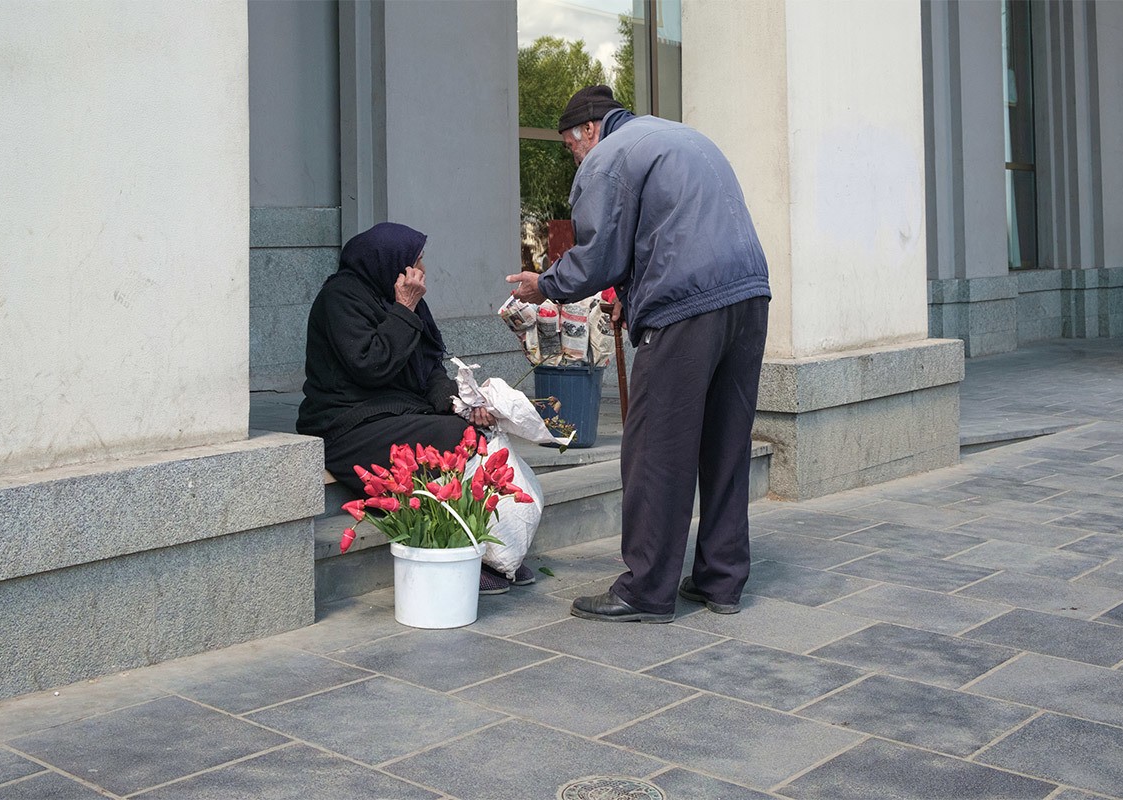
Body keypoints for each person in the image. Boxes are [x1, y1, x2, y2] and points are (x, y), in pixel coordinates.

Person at [506, 85, 772, 622]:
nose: (573, 156)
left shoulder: (607, 158)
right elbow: (664, 230)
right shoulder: (676, 135)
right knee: (725, 442)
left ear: (587, 130)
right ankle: (722, 580)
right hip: (749, 295)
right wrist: (633, 298)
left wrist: (547, 284)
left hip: (687, 306)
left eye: (568, 145)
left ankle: (647, 590)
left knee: (656, 448)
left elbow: (599, 254)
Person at [298, 222, 532, 593]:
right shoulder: (341, 299)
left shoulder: (404, 300)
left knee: (472, 426)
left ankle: (491, 551)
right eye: (415, 261)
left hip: (394, 411)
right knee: (454, 438)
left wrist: (457, 403)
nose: (421, 271)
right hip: (347, 422)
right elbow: (372, 366)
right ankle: (472, 552)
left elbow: (429, 367)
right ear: (389, 263)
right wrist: (404, 309)